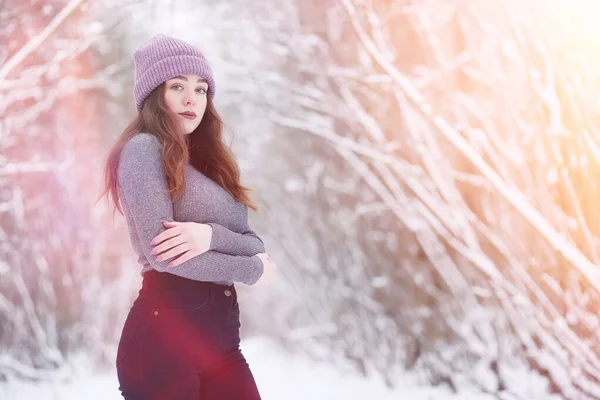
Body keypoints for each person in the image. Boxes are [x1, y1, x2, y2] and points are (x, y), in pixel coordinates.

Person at [100, 34, 277, 399]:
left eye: (200, 89)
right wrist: (251, 270)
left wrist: (208, 236)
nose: (190, 98)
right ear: (154, 94)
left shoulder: (210, 164)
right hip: (164, 342)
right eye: (176, 86)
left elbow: (251, 241)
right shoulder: (142, 150)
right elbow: (163, 257)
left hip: (222, 344)